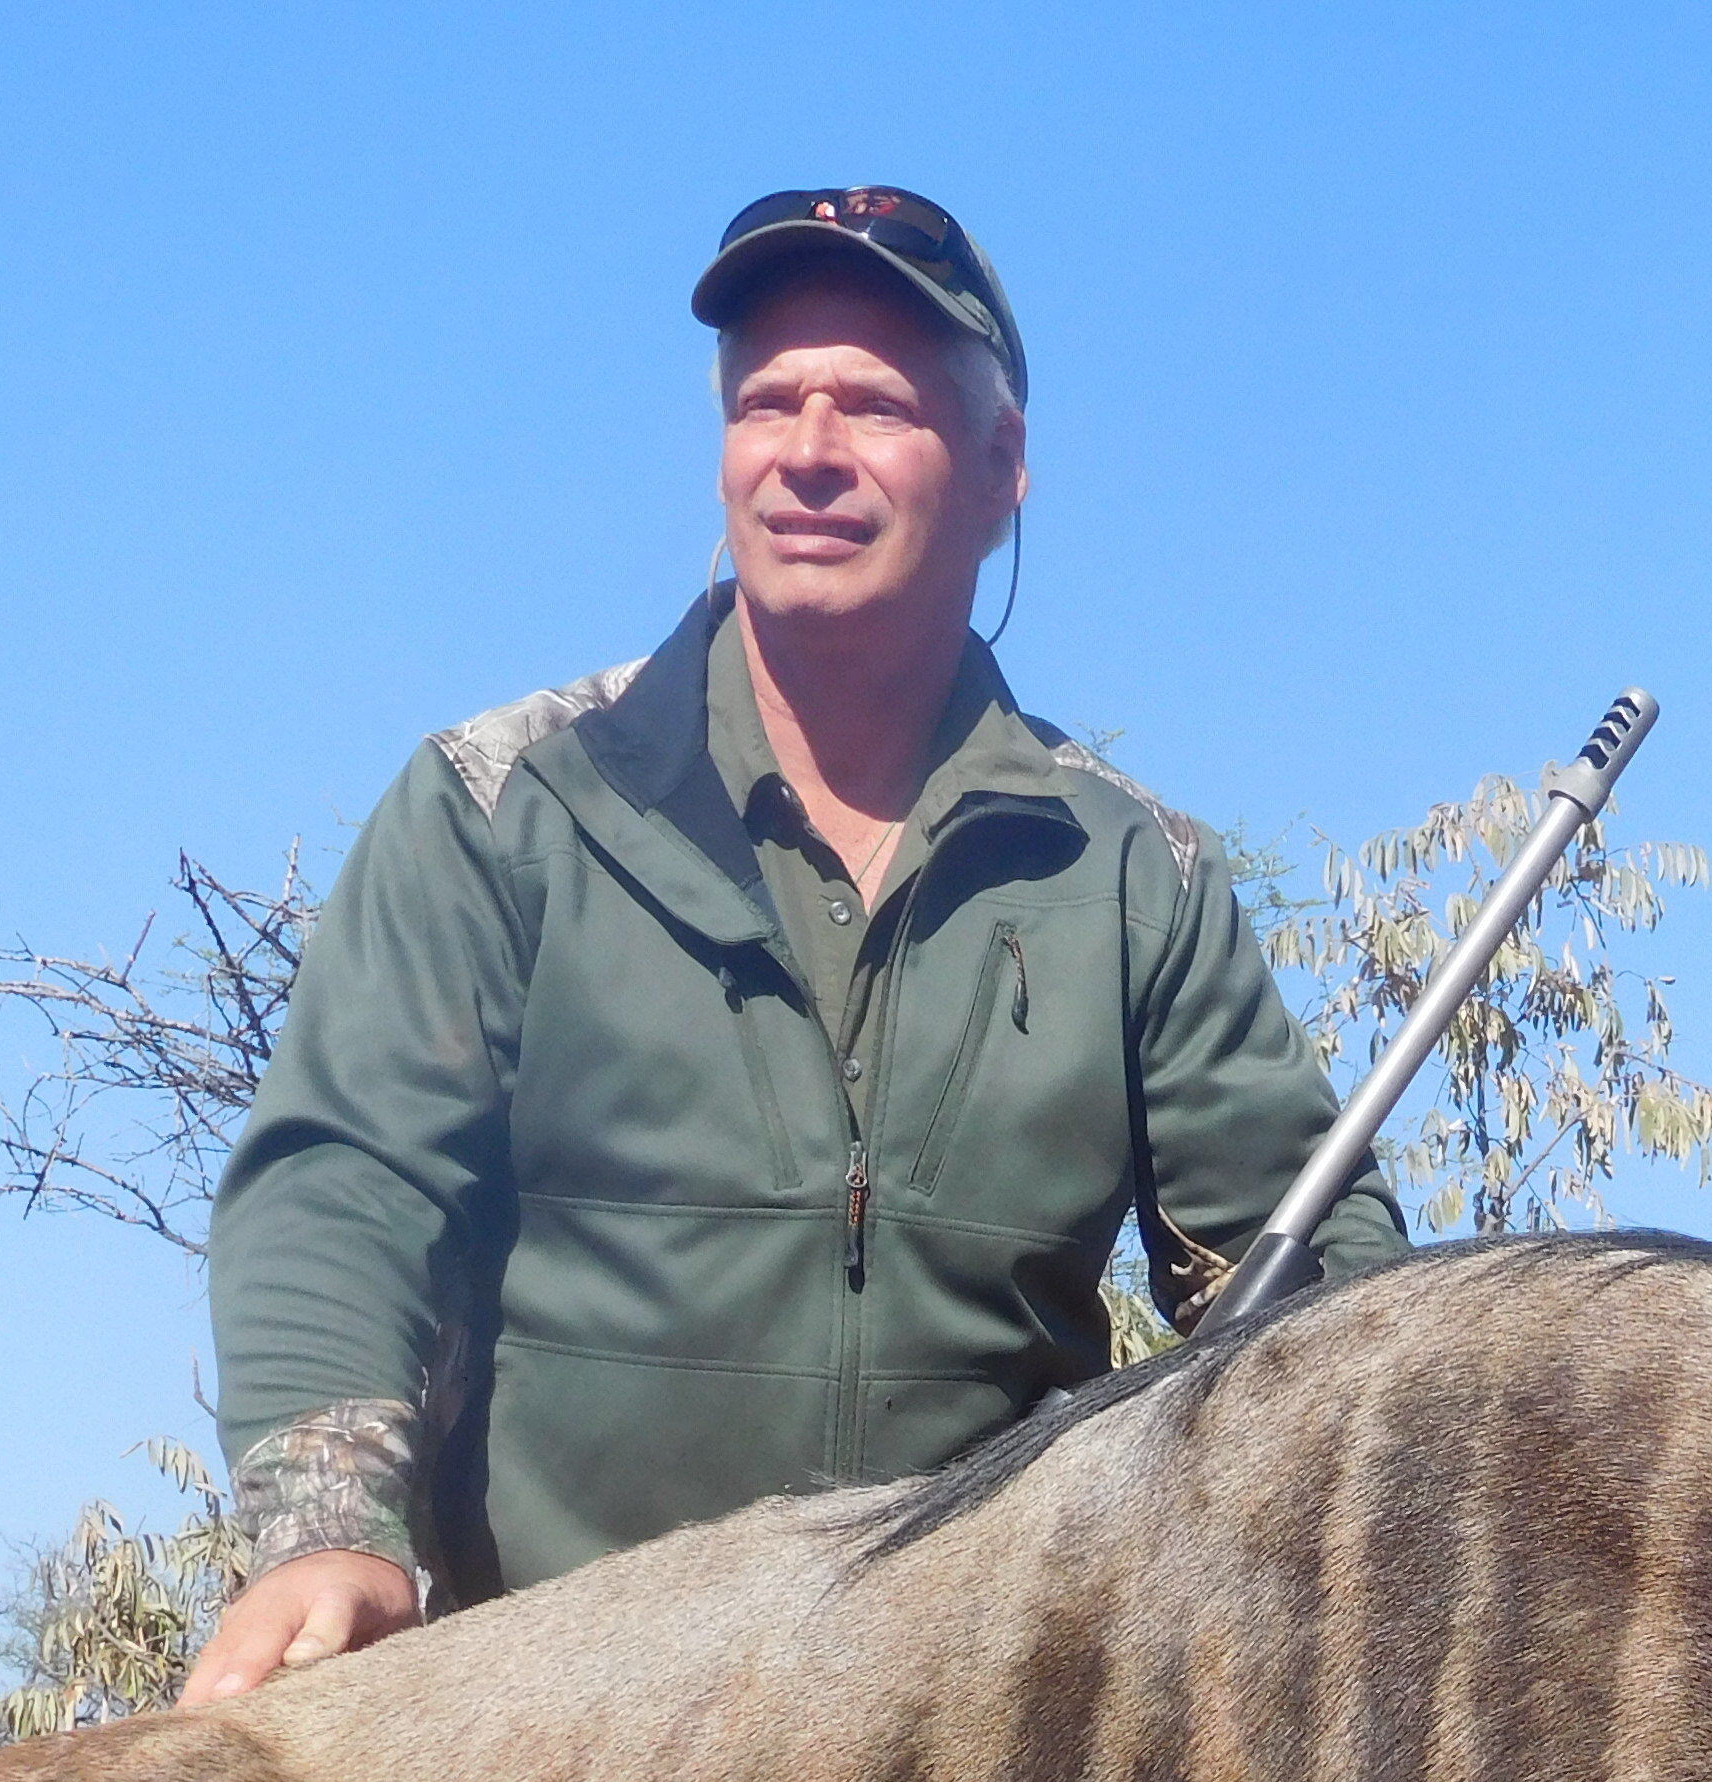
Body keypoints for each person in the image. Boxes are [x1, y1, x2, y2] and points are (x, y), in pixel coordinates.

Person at [186, 186, 1406, 1700]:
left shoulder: (1129, 871)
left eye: (878, 405)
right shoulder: (502, 807)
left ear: (1002, 467)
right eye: (770, 401)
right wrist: (324, 1536)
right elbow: (346, 1181)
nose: (809, 451)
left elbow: (1308, 1281)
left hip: (969, 1746)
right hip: (545, 1724)